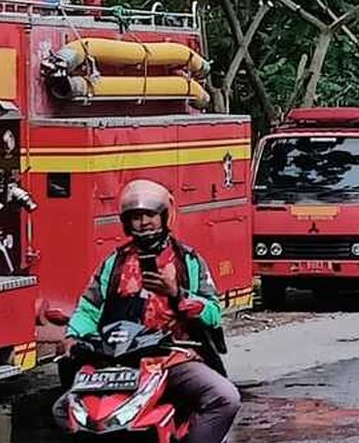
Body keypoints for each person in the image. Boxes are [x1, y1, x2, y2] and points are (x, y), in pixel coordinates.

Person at [52, 179, 240, 443]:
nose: (144, 222)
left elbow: (213, 312)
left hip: (171, 357)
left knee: (225, 398)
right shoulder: (113, 263)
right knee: (64, 410)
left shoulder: (188, 260)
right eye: (136, 216)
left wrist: (177, 293)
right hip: (116, 359)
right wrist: (72, 336)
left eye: (150, 215)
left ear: (164, 217)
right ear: (126, 222)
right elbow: (89, 307)